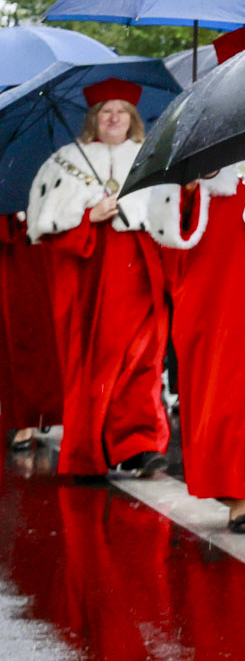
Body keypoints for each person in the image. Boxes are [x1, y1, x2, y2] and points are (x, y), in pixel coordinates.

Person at [149, 28, 245, 533]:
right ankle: (240, 495)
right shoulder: (196, 137)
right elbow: (168, 226)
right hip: (221, 285)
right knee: (232, 386)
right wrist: (183, 187)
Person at [26, 79, 173, 479]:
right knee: (98, 363)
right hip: (91, 276)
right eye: (106, 110)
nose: (114, 118)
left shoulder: (151, 157)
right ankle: (89, 450)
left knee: (143, 359)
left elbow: (169, 218)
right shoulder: (65, 162)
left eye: (122, 111)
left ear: (133, 119)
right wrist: (87, 218)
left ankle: (138, 445)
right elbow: (46, 227)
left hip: (140, 271)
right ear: (94, 117)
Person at [0, 206, 64, 454]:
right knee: (19, 327)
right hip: (15, 239)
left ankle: (47, 411)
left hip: (47, 234)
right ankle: (26, 416)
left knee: (51, 327)